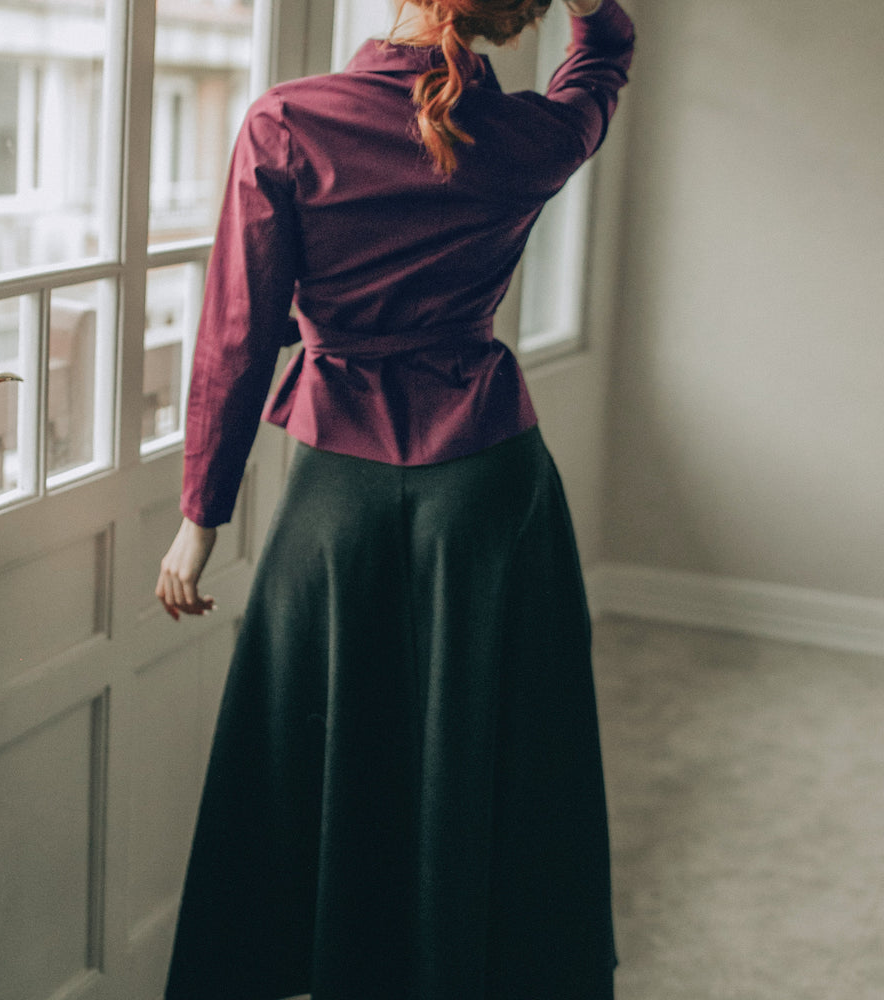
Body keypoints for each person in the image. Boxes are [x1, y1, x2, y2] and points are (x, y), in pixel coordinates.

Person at [156, 0, 634, 996]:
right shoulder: (528, 139)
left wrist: (201, 520)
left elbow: (237, 343)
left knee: (317, 757)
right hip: (490, 492)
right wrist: (590, 7)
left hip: (339, 499)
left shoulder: (287, 121)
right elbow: (601, 63)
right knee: (483, 748)